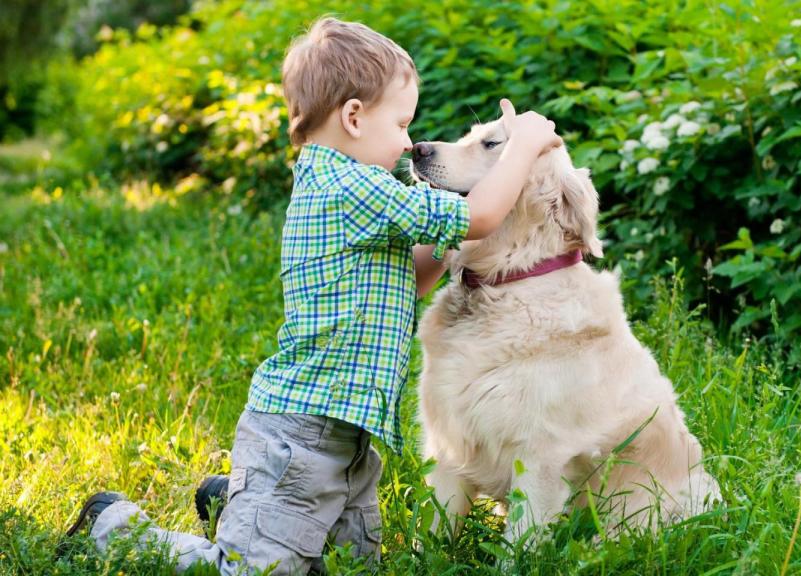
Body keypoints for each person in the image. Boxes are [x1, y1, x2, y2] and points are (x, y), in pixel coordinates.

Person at [62, 15, 561, 575]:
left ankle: (240, 505)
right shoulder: (352, 186)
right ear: (353, 117)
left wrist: (448, 247)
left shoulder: (345, 185)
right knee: (255, 572)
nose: (407, 142)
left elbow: (412, 279)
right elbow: (482, 215)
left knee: (349, 566)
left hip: (345, 438)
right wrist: (527, 144)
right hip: (298, 436)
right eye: (401, 124)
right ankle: (113, 525)